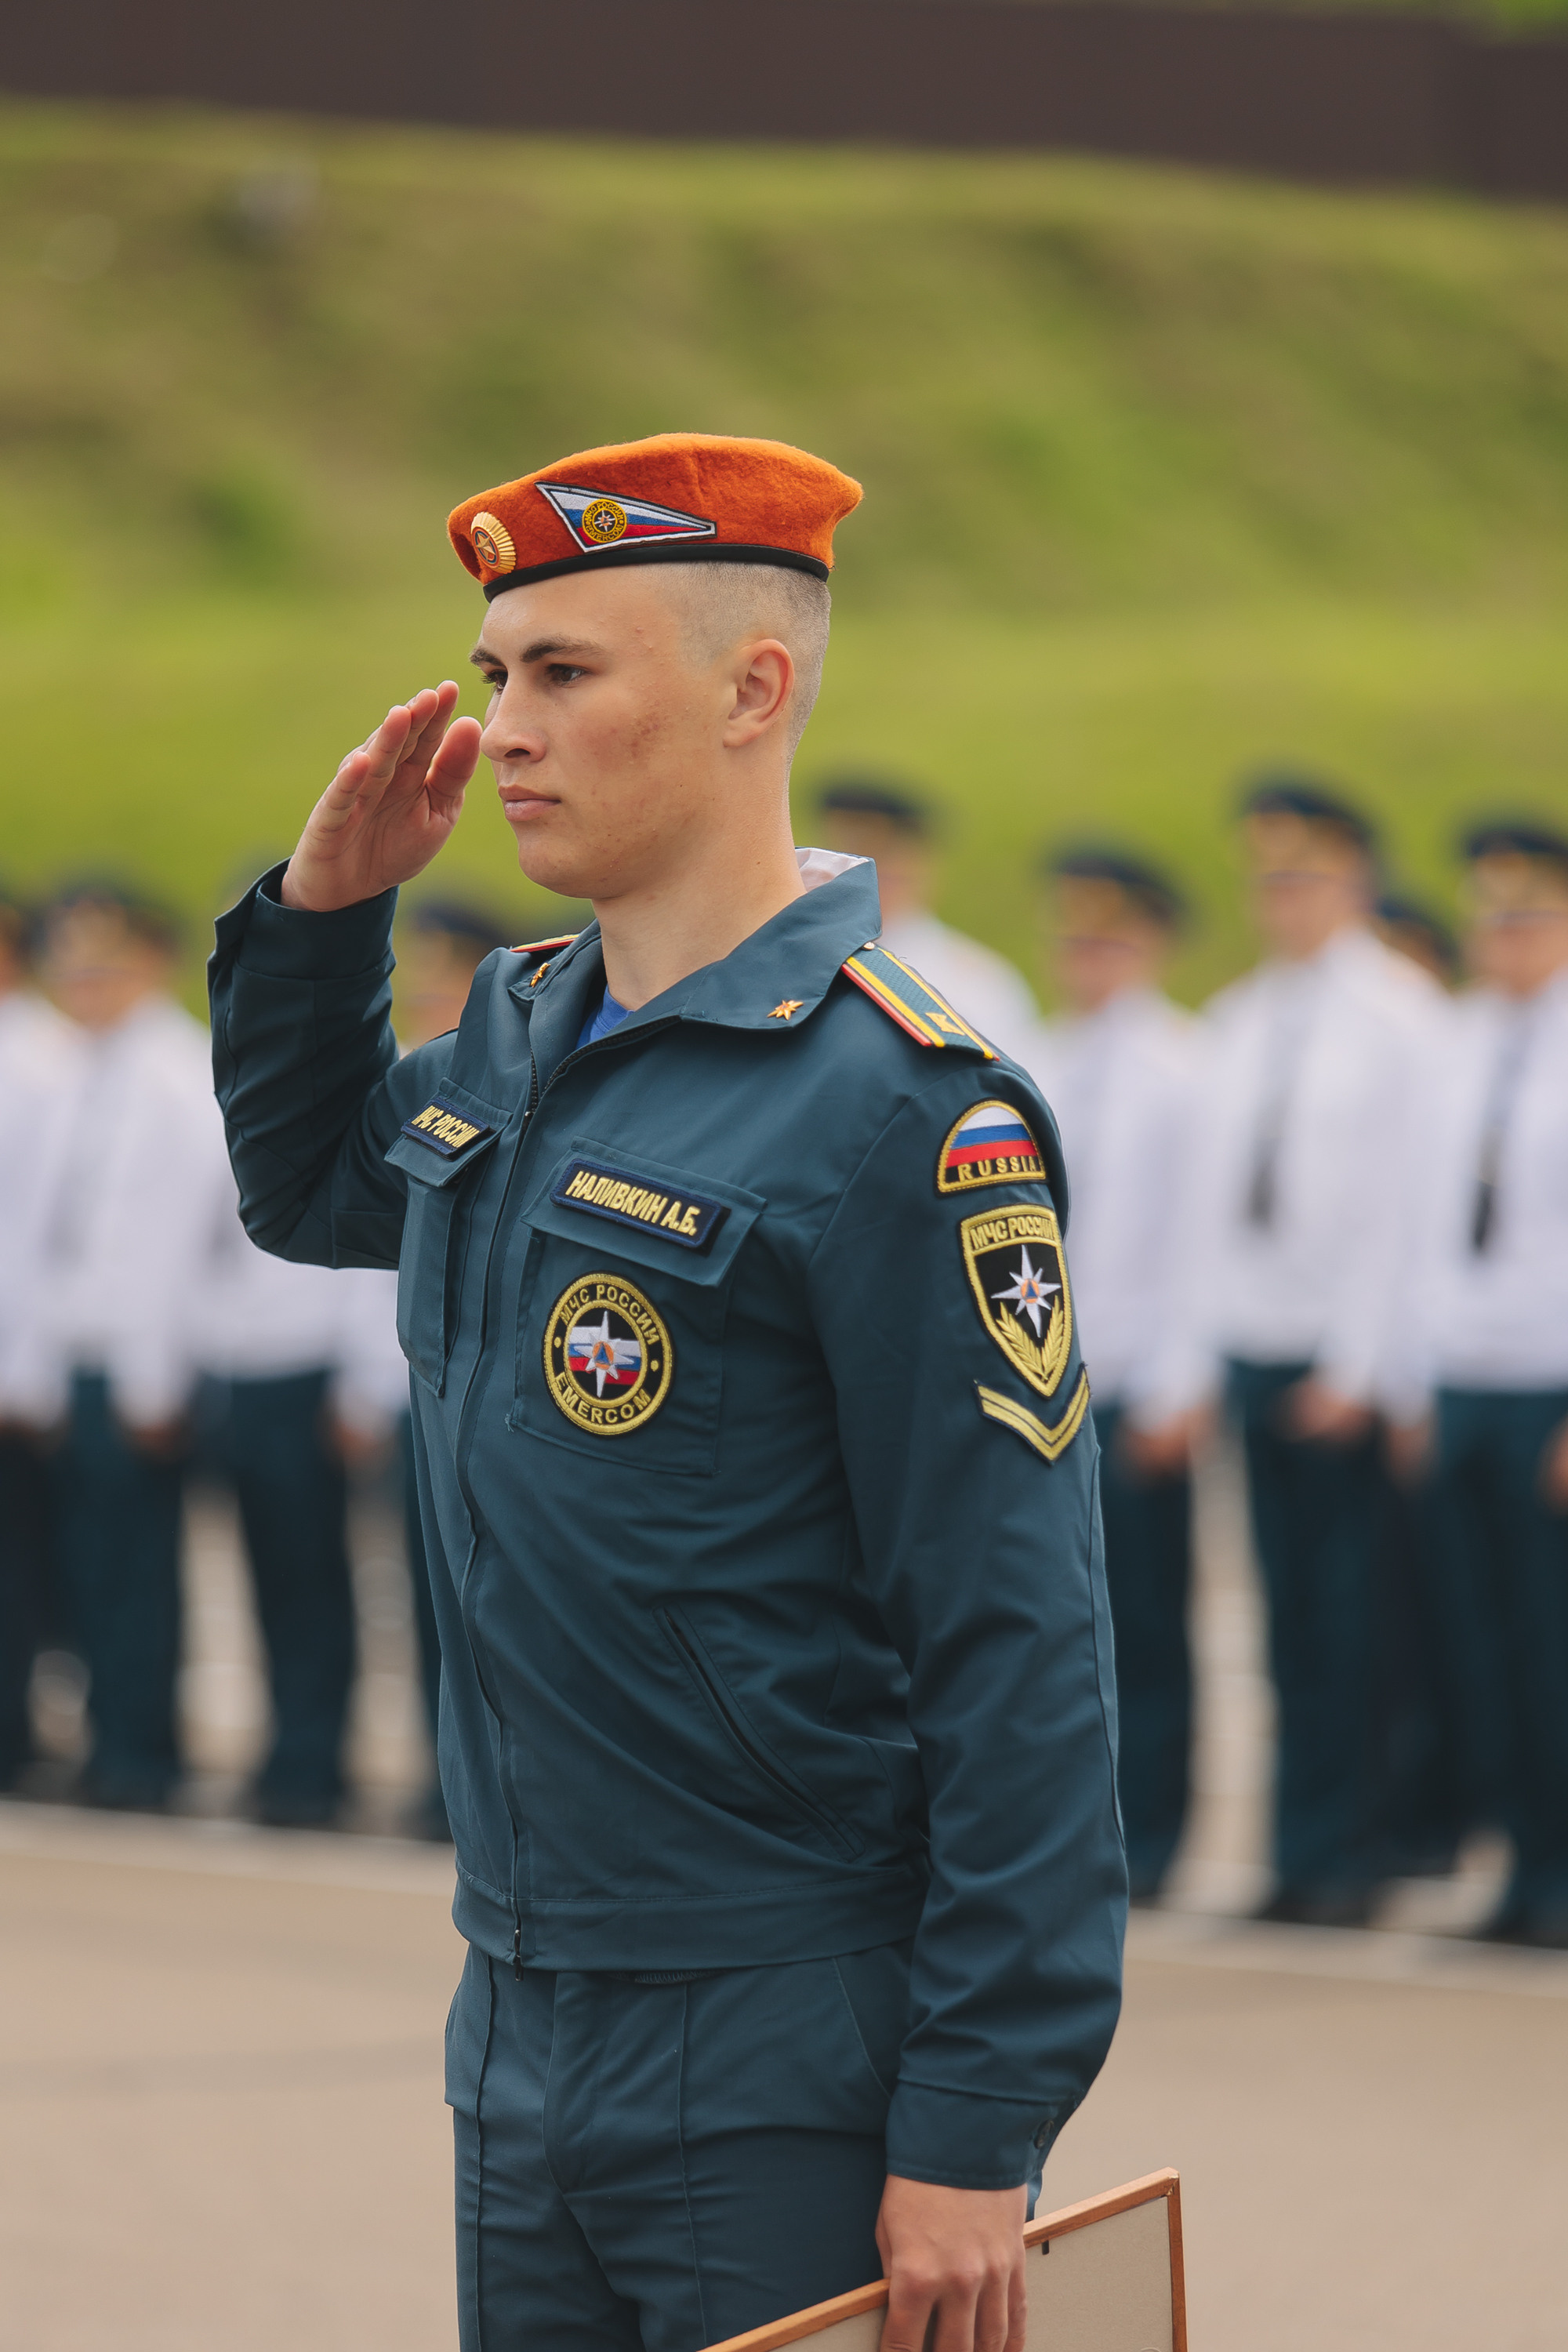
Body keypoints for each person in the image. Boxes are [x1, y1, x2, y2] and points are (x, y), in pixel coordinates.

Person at [210, 431, 1125, 2352]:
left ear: (751, 689)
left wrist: (974, 2121)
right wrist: (319, 919)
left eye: (563, 673)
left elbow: (1017, 1643)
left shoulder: (903, 1109)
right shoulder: (522, 1027)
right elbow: (309, 1191)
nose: (507, 730)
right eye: (494, 679)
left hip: (780, 2022)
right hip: (522, 2003)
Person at [1185, 775, 1441, 1926]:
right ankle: (1301, 1851)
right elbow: (1212, 1212)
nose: (1282, 902)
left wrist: (1359, 1362)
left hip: (1349, 1362)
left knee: (1359, 1620)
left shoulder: (1401, 1018)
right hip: (1255, 1343)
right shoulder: (1242, 1020)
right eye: (1268, 881)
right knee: (1289, 1614)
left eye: (1304, 880)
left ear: (1353, 882)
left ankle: (1359, 1850)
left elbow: (1403, 1212)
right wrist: (1206, 1354)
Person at [1387, 822, 1568, 1947]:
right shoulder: (1455, 1043)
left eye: (1528, 917)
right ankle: (1517, 1864)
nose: (1503, 938)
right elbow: (1413, 1226)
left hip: (1550, 1385)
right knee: (1481, 1642)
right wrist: (1413, 1382)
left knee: (1555, 1643)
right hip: (1462, 1377)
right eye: (1488, 918)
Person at [1031, 847, 1203, 1902]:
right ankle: (1081, 1827)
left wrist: (1182, 1380)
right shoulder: (1043, 1054)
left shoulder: (1181, 1069)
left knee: (1146, 1619)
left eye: (1108, 940)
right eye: (1074, 939)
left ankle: (1161, 1829)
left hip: (1140, 1378)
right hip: (1052, 1381)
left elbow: (1195, 1242)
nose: (1087, 959)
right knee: (1060, 1622)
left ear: (1148, 945)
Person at [38, 884, 227, 1811]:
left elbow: (164, 1247)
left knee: (134, 1571)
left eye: (105, 968)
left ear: (149, 964)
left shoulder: (171, 1076)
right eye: (73, 969)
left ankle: (140, 1752)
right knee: (84, 1566)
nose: (86, 986)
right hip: (77, 1357)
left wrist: (151, 1380)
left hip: (133, 1364)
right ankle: (111, 1736)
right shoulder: (85, 1071)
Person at [390, 896, 514, 1837]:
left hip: (497, 1393)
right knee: (430, 1596)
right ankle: (445, 1785)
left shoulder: (511, 1072)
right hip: (418, 1384)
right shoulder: (421, 1078)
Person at [0, 891, 84, 1790]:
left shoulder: (39, 1060)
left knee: (21, 1563)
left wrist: (20, 1367)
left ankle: (14, 1732)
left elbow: (31, 1235)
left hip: (21, 1356)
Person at [815, 777, 1040, 1063]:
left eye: (884, 858)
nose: (867, 875)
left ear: (920, 864)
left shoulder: (980, 985)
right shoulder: (806, 959)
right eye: (849, 853)